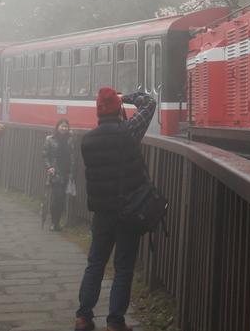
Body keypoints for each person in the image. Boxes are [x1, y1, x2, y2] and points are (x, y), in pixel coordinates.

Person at [74, 87, 157, 331]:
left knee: (95, 264)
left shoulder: (87, 140)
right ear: (119, 110)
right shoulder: (128, 132)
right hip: (128, 211)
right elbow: (149, 103)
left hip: (102, 213)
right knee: (123, 268)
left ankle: (83, 317)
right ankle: (115, 322)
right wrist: (127, 96)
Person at [43, 118, 74, 232]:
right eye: (62, 126)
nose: (64, 128)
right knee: (57, 197)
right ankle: (53, 222)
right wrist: (49, 167)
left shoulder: (70, 140)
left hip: (66, 172)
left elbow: (72, 155)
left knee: (61, 199)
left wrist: (72, 171)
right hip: (55, 172)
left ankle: (57, 222)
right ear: (57, 127)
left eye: (66, 126)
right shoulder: (50, 139)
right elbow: (45, 155)